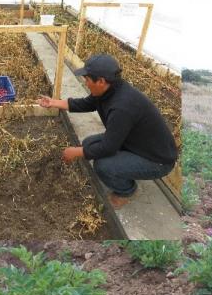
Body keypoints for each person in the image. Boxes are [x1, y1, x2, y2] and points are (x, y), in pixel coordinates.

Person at [38, 54, 178, 209]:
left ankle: (126, 190)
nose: (85, 82)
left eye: (87, 79)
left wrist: (75, 152)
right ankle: (126, 167)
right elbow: (86, 104)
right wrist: (53, 102)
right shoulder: (109, 90)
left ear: (101, 81)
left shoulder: (122, 107)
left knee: (103, 166)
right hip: (135, 142)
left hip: (157, 159)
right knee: (88, 144)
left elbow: (108, 147)